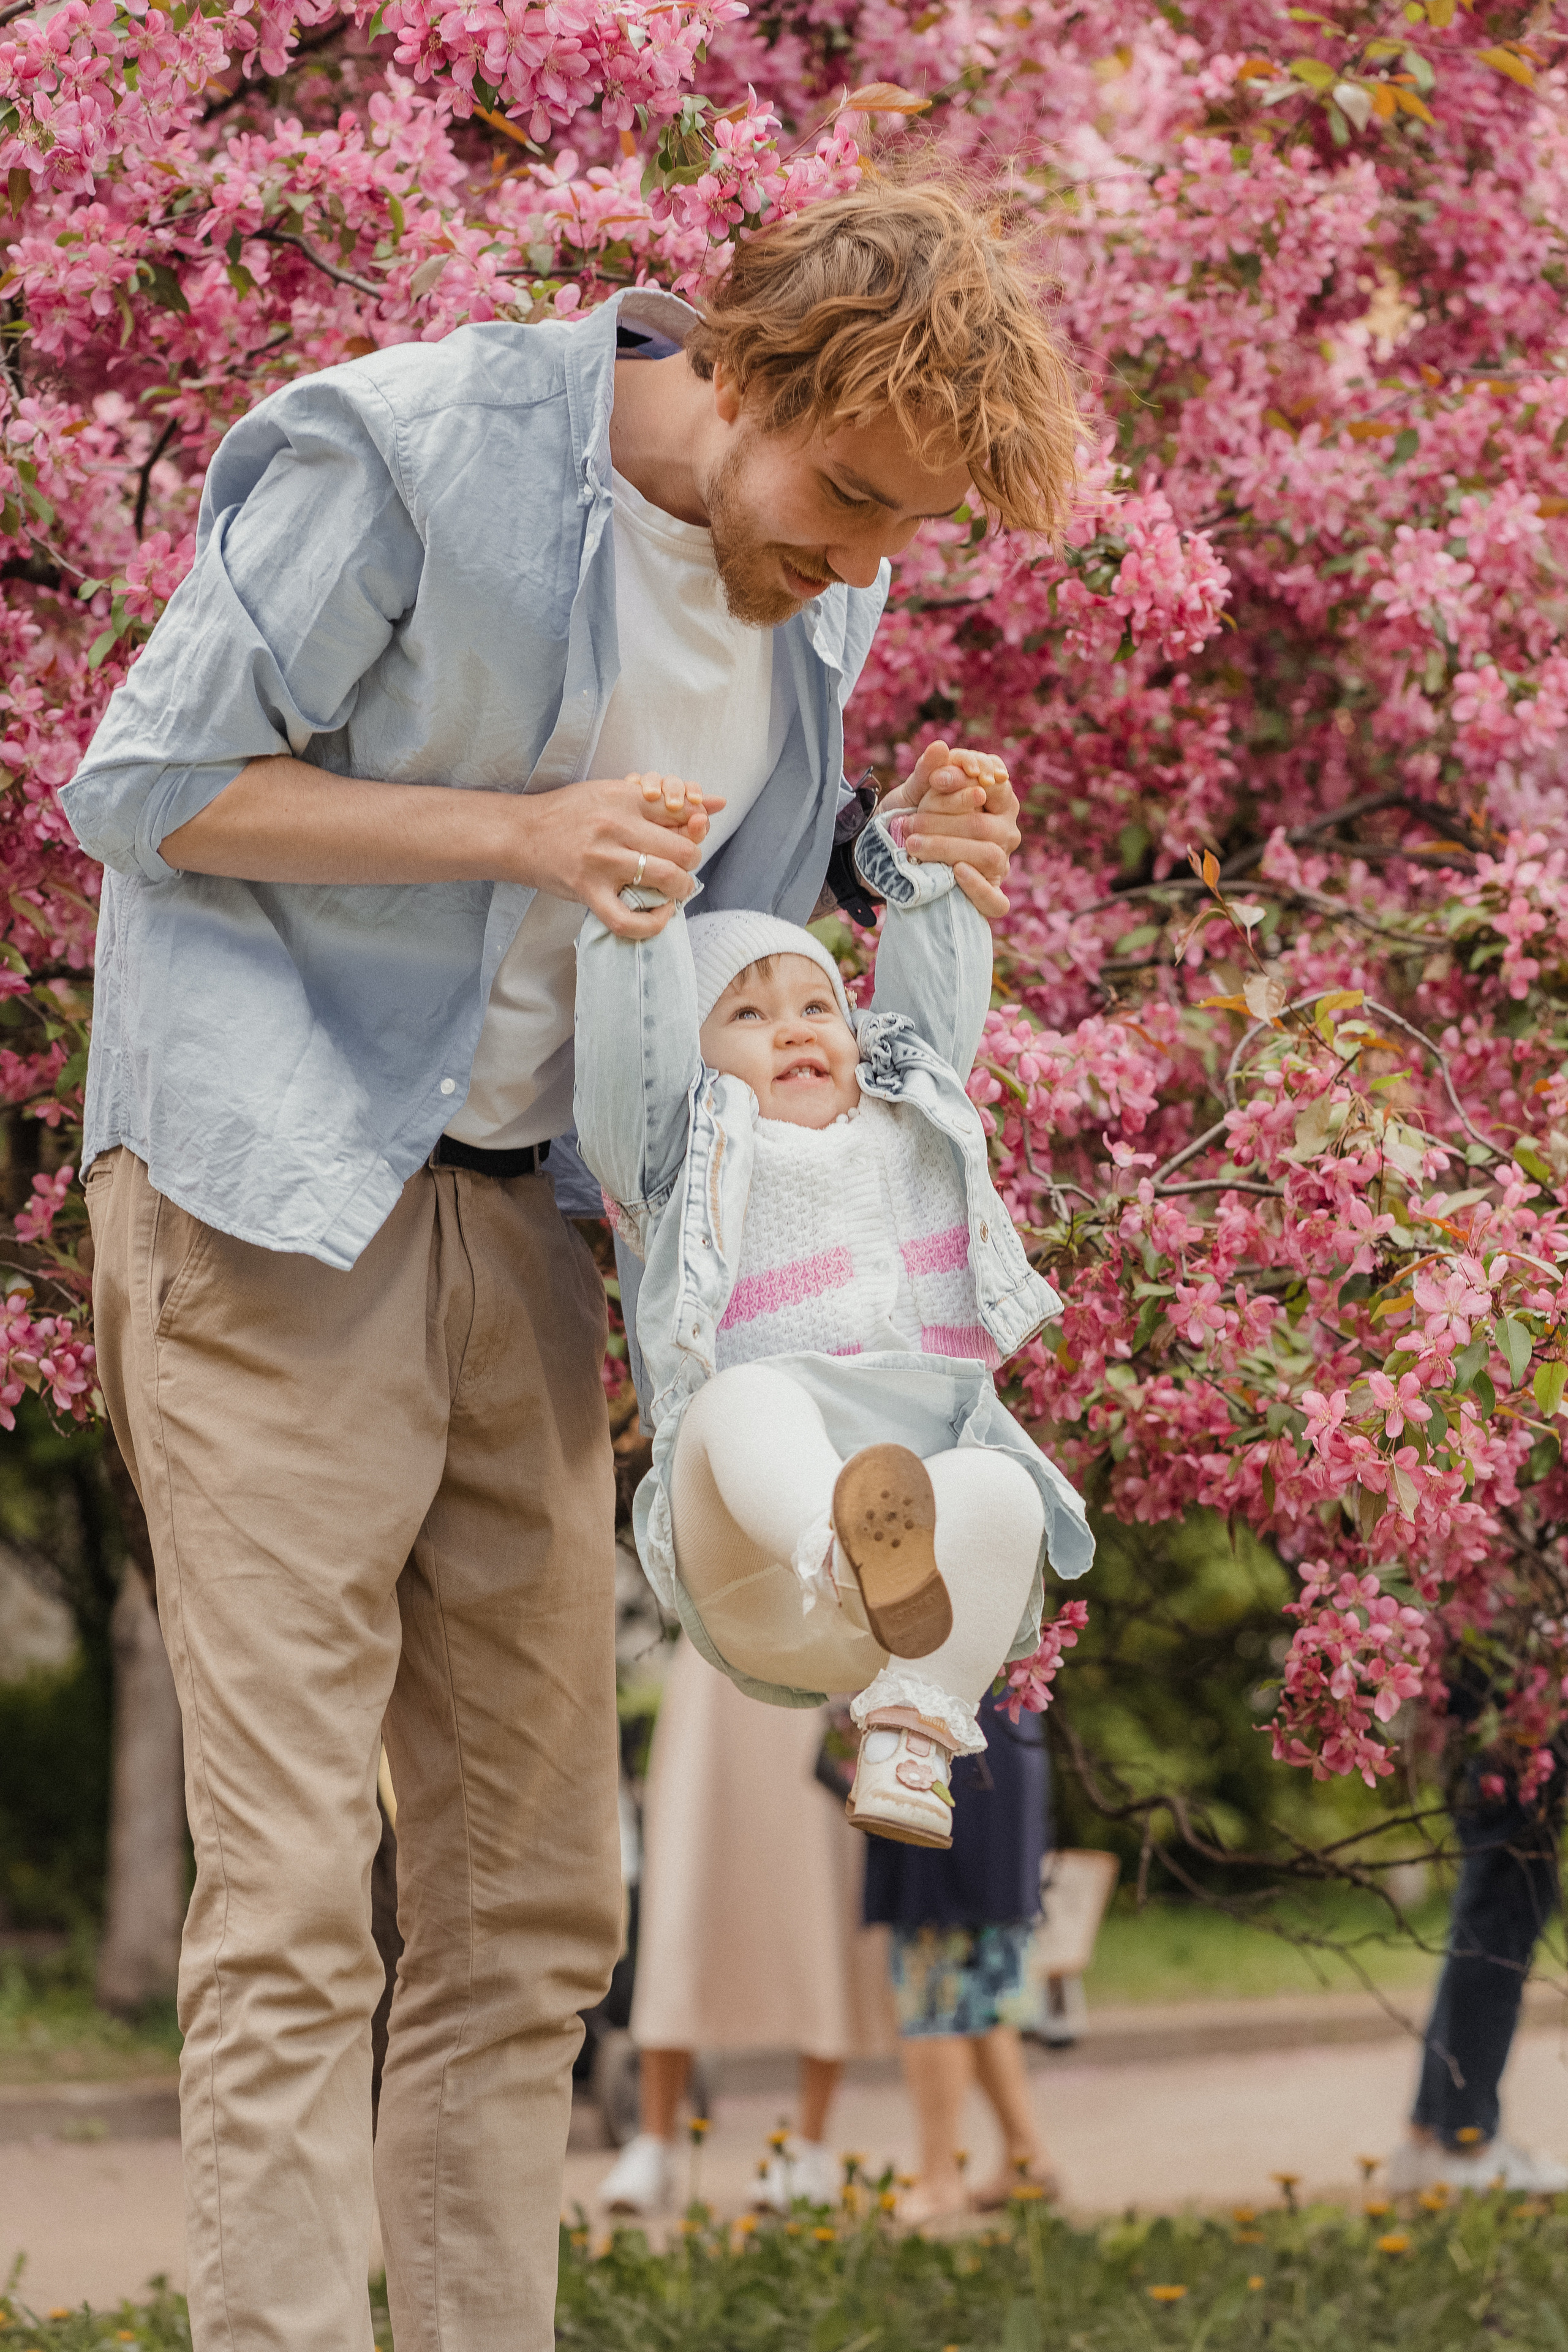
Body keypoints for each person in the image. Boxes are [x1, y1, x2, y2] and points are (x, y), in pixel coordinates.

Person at [59, 174, 1077, 2352]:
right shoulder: (408, 452)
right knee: (298, 1882)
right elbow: (143, 781)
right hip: (271, 1195)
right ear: (741, 371)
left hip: (523, 1219)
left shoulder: (808, 596)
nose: (865, 566)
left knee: (531, 1900)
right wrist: (517, 832)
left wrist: (893, 872)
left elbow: (718, 917)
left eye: (909, 532)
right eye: (852, 499)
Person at [571, 793, 1093, 1846]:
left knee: (1006, 1487)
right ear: (693, 1059)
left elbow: (934, 1005)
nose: (795, 1029)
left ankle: (911, 1747)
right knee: (745, 1399)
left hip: (910, 1589)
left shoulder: (912, 1116)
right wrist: (636, 914)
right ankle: (843, 1542)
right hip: (755, 1552)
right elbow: (628, 1065)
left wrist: (927, 867)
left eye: (818, 1006)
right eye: (747, 1017)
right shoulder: (681, 1153)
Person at [597, 1632, 891, 2215]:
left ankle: (809, 2147)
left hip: (828, 1660)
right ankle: (653, 2141)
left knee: (820, 1894)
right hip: (719, 1656)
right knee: (685, 1896)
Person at [865, 1688, 1057, 2222]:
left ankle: (939, 2176)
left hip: (941, 1752)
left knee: (933, 1978)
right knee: (977, 1982)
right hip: (1002, 1741)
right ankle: (1026, 2155)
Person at [1385, 1744, 1568, 2195]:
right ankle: (1465, 2149)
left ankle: (1436, 2133)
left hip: (1505, 1728)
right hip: (1524, 1729)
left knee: (1491, 1908)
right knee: (1503, 1909)